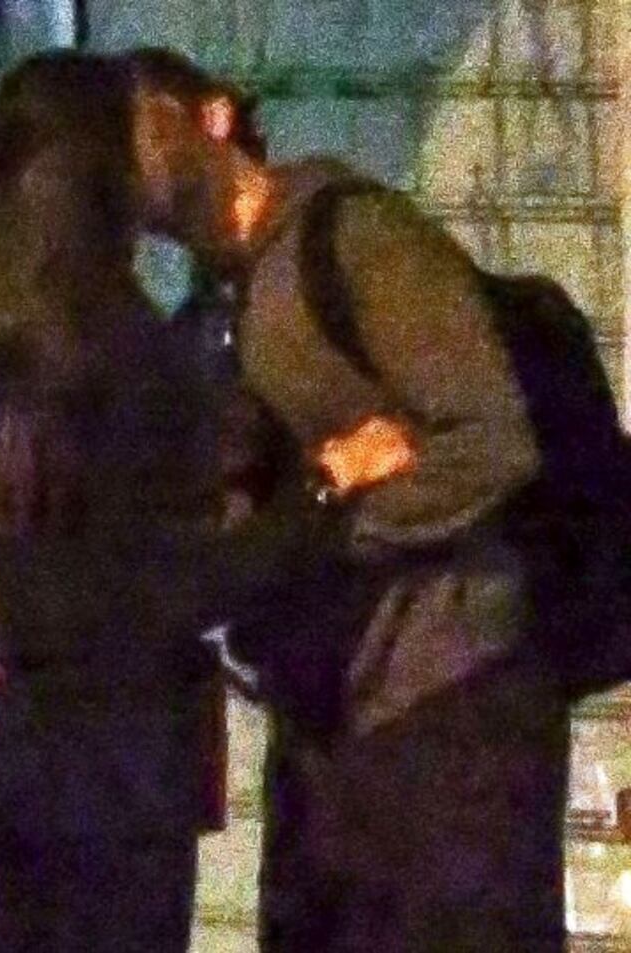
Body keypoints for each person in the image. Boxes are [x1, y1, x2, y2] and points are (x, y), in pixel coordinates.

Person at [124, 48, 581, 952]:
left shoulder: (353, 237)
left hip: (449, 704)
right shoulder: (207, 315)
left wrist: (332, 527)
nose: (123, 153)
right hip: (324, 725)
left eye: (138, 120)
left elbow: (493, 438)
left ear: (214, 117)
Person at [0, 51, 258, 952]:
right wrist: (323, 495)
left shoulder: (0, 342)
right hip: (122, 765)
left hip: (25, 755)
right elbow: (171, 585)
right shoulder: (132, 352)